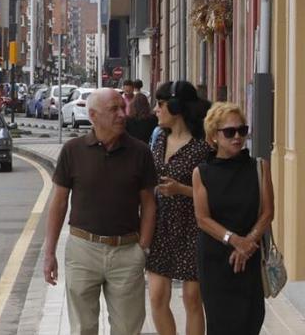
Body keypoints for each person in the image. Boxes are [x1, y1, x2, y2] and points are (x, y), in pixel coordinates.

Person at [43, 88, 157, 335]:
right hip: (83, 250)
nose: (122, 114)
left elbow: (149, 203)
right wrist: (49, 252)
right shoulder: (73, 150)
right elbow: (59, 202)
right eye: (114, 109)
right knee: (83, 328)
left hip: (127, 251)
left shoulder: (140, 152)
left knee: (128, 328)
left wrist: (143, 248)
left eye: (122, 107)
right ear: (93, 115)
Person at [194, 102, 273, 334]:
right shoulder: (202, 172)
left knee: (251, 320)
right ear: (214, 135)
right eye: (230, 132)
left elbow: (268, 211)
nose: (237, 137)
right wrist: (235, 241)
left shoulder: (259, 167)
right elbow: (203, 219)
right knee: (220, 326)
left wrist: (248, 242)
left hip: (250, 257)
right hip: (216, 261)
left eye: (242, 130)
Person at [146, 80, 214, 335]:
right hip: (162, 226)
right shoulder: (159, 140)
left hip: (193, 228)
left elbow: (214, 194)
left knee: (192, 298)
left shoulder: (203, 146)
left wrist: (181, 190)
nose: (156, 109)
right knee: (156, 296)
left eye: (160, 104)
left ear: (175, 107)